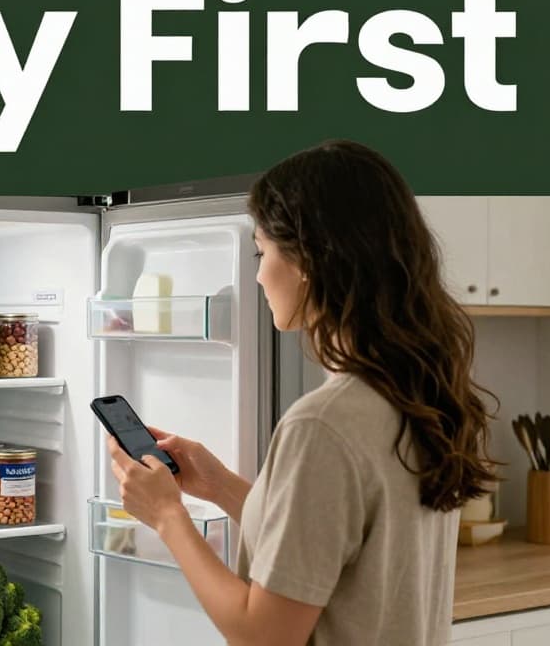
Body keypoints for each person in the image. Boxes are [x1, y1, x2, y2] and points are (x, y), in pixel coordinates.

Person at [107, 140, 498, 646]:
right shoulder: (414, 393)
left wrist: (167, 517)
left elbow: (263, 635)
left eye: (262, 251)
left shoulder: (323, 424)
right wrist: (221, 485)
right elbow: (329, 552)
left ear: (309, 260)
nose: (258, 274)